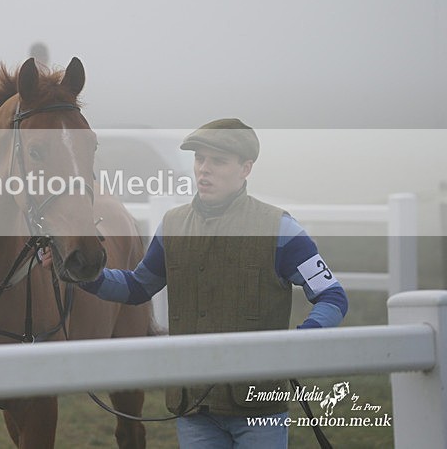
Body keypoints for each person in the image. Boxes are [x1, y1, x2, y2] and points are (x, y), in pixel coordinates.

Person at [43, 118, 348, 449]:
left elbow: (332, 296)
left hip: (258, 408)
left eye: (218, 161)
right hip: (193, 409)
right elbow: (136, 288)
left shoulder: (281, 229)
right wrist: (81, 274)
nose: (204, 169)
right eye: (200, 159)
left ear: (246, 168)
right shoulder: (172, 225)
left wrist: (304, 340)